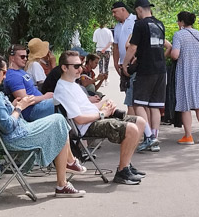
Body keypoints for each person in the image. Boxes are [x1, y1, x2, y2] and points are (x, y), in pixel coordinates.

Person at [0, 51, 86, 198]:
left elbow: (1, 117)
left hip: (4, 138)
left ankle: (66, 172)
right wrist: (20, 107)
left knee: (58, 122)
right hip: (15, 138)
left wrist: (13, 106)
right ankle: (63, 179)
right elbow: (7, 126)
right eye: (4, 72)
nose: (5, 76)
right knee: (59, 120)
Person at [51, 50, 149, 185]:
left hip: (95, 118)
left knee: (140, 121)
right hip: (86, 126)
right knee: (131, 128)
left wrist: (104, 104)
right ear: (64, 67)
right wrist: (103, 113)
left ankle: (126, 165)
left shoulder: (73, 84)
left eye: (81, 65)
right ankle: (122, 172)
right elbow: (79, 119)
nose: (80, 69)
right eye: (76, 66)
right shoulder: (63, 89)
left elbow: (88, 107)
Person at [124, 0, 168, 152]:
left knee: (138, 104)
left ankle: (148, 137)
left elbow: (132, 47)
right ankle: (155, 138)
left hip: (146, 70)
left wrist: (125, 64)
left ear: (139, 10)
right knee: (155, 106)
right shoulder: (160, 24)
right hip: (161, 69)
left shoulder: (140, 24)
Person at [170, 11, 199, 145]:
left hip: (184, 72)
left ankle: (188, 136)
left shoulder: (178, 35)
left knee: (185, 104)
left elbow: (175, 55)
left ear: (181, 22)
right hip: (198, 71)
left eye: (178, 21)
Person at [5, 44, 56, 121]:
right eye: (22, 57)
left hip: (40, 104)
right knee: (63, 102)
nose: (25, 59)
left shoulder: (21, 71)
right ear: (12, 58)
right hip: (32, 110)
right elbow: (24, 99)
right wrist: (45, 97)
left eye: (26, 56)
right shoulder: (13, 76)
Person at [111, 1, 137, 110]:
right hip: (123, 63)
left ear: (123, 9)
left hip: (133, 63)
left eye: (115, 12)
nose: (113, 15)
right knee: (127, 92)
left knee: (135, 93)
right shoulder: (117, 27)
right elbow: (115, 46)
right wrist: (116, 63)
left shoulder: (135, 21)